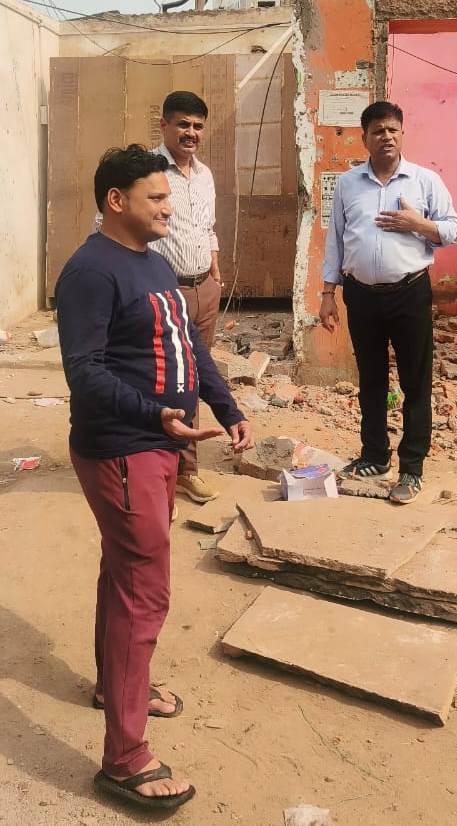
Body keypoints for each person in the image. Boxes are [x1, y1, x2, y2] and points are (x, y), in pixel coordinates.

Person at [56, 144, 253, 809]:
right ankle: (124, 759)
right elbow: (84, 371)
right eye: (158, 198)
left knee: (126, 573)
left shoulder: (154, 261)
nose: (172, 207)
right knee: (144, 590)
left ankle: (115, 687)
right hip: (121, 449)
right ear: (117, 201)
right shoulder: (90, 272)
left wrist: (225, 406)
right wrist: (155, 415)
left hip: (157, 444)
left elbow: (187, 344)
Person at [320, 101, 457, 504]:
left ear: (402, 134)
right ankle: (375, 454)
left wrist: (421, 225)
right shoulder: (348, 184)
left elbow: (455, 228)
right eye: (378, 131)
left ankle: (411, 467)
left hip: (409, 293)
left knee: (415, 381)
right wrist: (328, 295)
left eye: (393, 130)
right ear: (364, 138)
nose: (386, 136)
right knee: (371, 378)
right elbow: (335, 240)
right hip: (361, 295)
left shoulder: (424, 181)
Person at [94, 90, 222, 504]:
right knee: (157, 378)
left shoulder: (204, 175)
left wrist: (214, 274)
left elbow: (207, 227)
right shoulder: (144, 172)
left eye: (198, 126)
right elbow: (107, 224)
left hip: (203, 288)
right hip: (161, 292)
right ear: (164, 125)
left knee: (192, 379)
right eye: (182, 124)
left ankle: (186, 470)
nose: (191, 133)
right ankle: (153, 472)